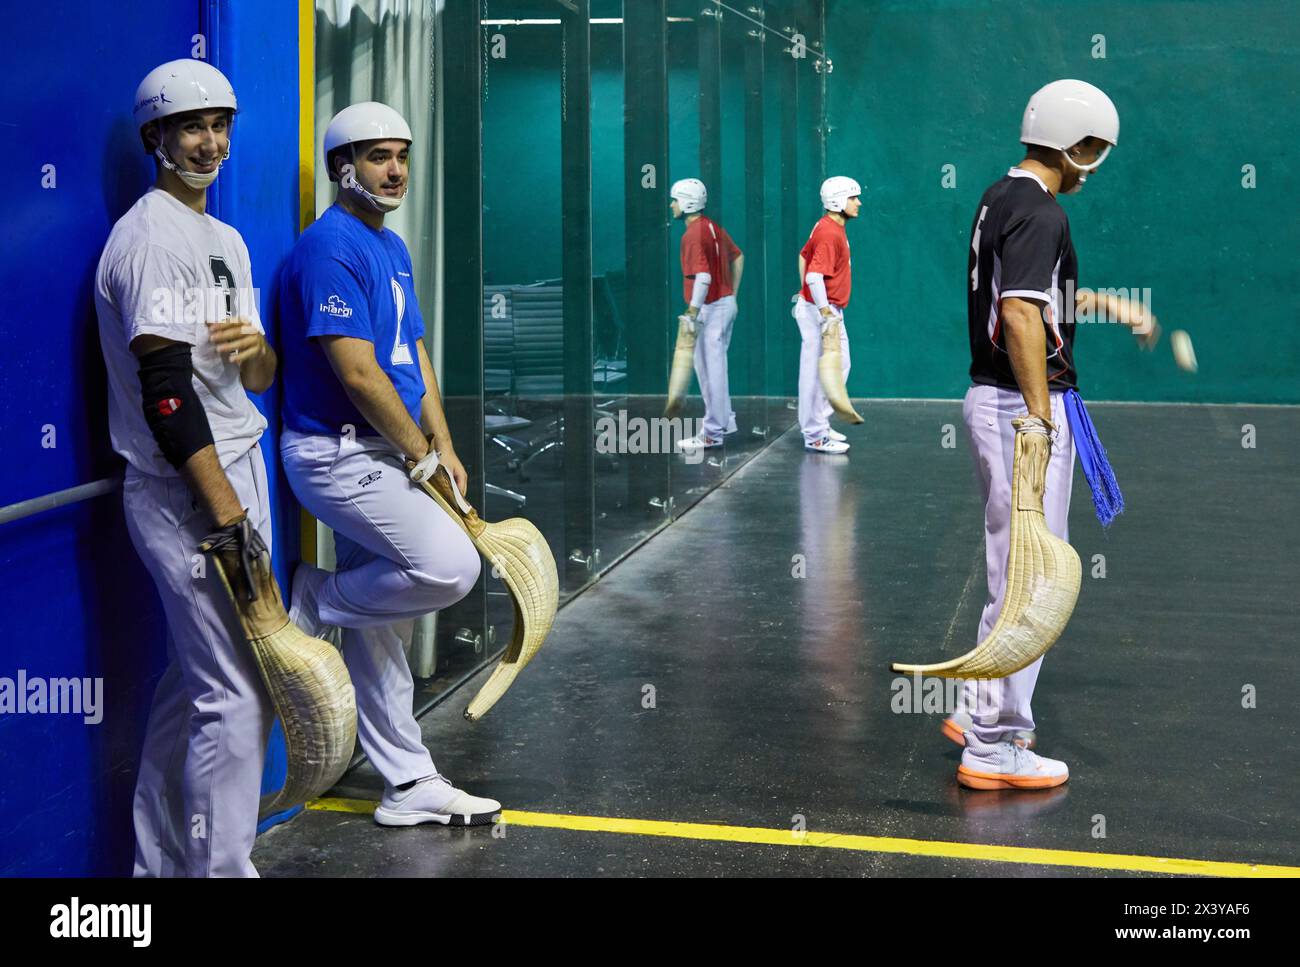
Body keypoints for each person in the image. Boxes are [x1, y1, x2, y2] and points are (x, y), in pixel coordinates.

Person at [278, 101, 500, 826]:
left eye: (402, 155)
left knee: (382, 628)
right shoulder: (328, 249)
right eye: (378, 157)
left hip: (386, 450)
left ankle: (407, 783)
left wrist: (446, 443)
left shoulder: (390, 245)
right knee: (450, 567)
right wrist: (422, 456)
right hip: (336, 453)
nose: (396, 169)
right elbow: (359, 375)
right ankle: (314, 599)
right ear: (341, 167)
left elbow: (411, 353)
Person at [96, 59, 279, 875]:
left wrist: (257, 348)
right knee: (236, 696)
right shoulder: (149, 240)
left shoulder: (225, 239)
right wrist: (228, 519)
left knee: (197, 684)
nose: (209, 142)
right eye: (191, 127)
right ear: (156, 138)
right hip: (188, 494)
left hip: (239, 466)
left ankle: (163, 864)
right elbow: (168, 400)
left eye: (219, 126)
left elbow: (258, 376)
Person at [949, 79, 1157, 790]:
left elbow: (1038, 299)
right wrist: (1039, 418)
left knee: (1018, 569)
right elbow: (1018, 313)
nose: (1094, 167)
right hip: (1022, 407)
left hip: (1002, 402)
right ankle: (993, 742)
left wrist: (1111, 306)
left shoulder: (1003, 196)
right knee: (1034, 580)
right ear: (1076, 146)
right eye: (1094, 150)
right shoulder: (1043, 212)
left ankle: (977, 711)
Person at [668, 178, 743, 451]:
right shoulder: (711, 227)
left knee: (710, 373)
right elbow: (738, 256)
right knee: (716, 369)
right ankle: (727, 421)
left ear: (687, 202)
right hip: (724, 305)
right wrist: (732, 295)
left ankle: (712, 433)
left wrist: (692, 311)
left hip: (710, 309)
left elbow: (702, 276)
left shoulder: (691, 235)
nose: (672, 205)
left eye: (675, 200)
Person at [793, 177, 861, 454]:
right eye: (853, 197)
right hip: (822, 311)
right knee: (816, 374)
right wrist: (823, 311)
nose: (858, 203)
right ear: (838, 201)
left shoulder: (828, 226)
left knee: (840, 365)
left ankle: (819, 424)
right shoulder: (830, 233)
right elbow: (814, 276)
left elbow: (803, 256)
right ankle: (815, 435)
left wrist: (806, 295)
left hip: (824, 308)